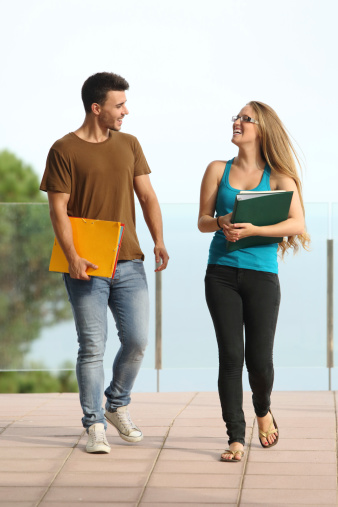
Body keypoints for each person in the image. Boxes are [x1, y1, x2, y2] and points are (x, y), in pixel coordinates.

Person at [40, 72, 169, 454]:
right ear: (97, 109)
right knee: (92, 346)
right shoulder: (63, 149)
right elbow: (58, 210)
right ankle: (94, 422)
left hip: (129, 260)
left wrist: (159, 240)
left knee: (137, 340)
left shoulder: (129, 144)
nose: (125, 111)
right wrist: (73, 256)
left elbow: (146, 197)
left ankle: (116, 402)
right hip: (85, 265)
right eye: (119, 105)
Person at [198, 101, 309, 462]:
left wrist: (256, 228)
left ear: (262, 130)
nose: (237, 122)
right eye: (237, 116)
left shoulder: (278, 176)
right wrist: (223, 220)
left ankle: (263, 409)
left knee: (259, 361)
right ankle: (234, 438)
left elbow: (297, 225)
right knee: (230, 357)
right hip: (221, 272)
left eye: (246, 118)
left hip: (262, 276)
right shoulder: (217, 169)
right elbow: (202, 220)